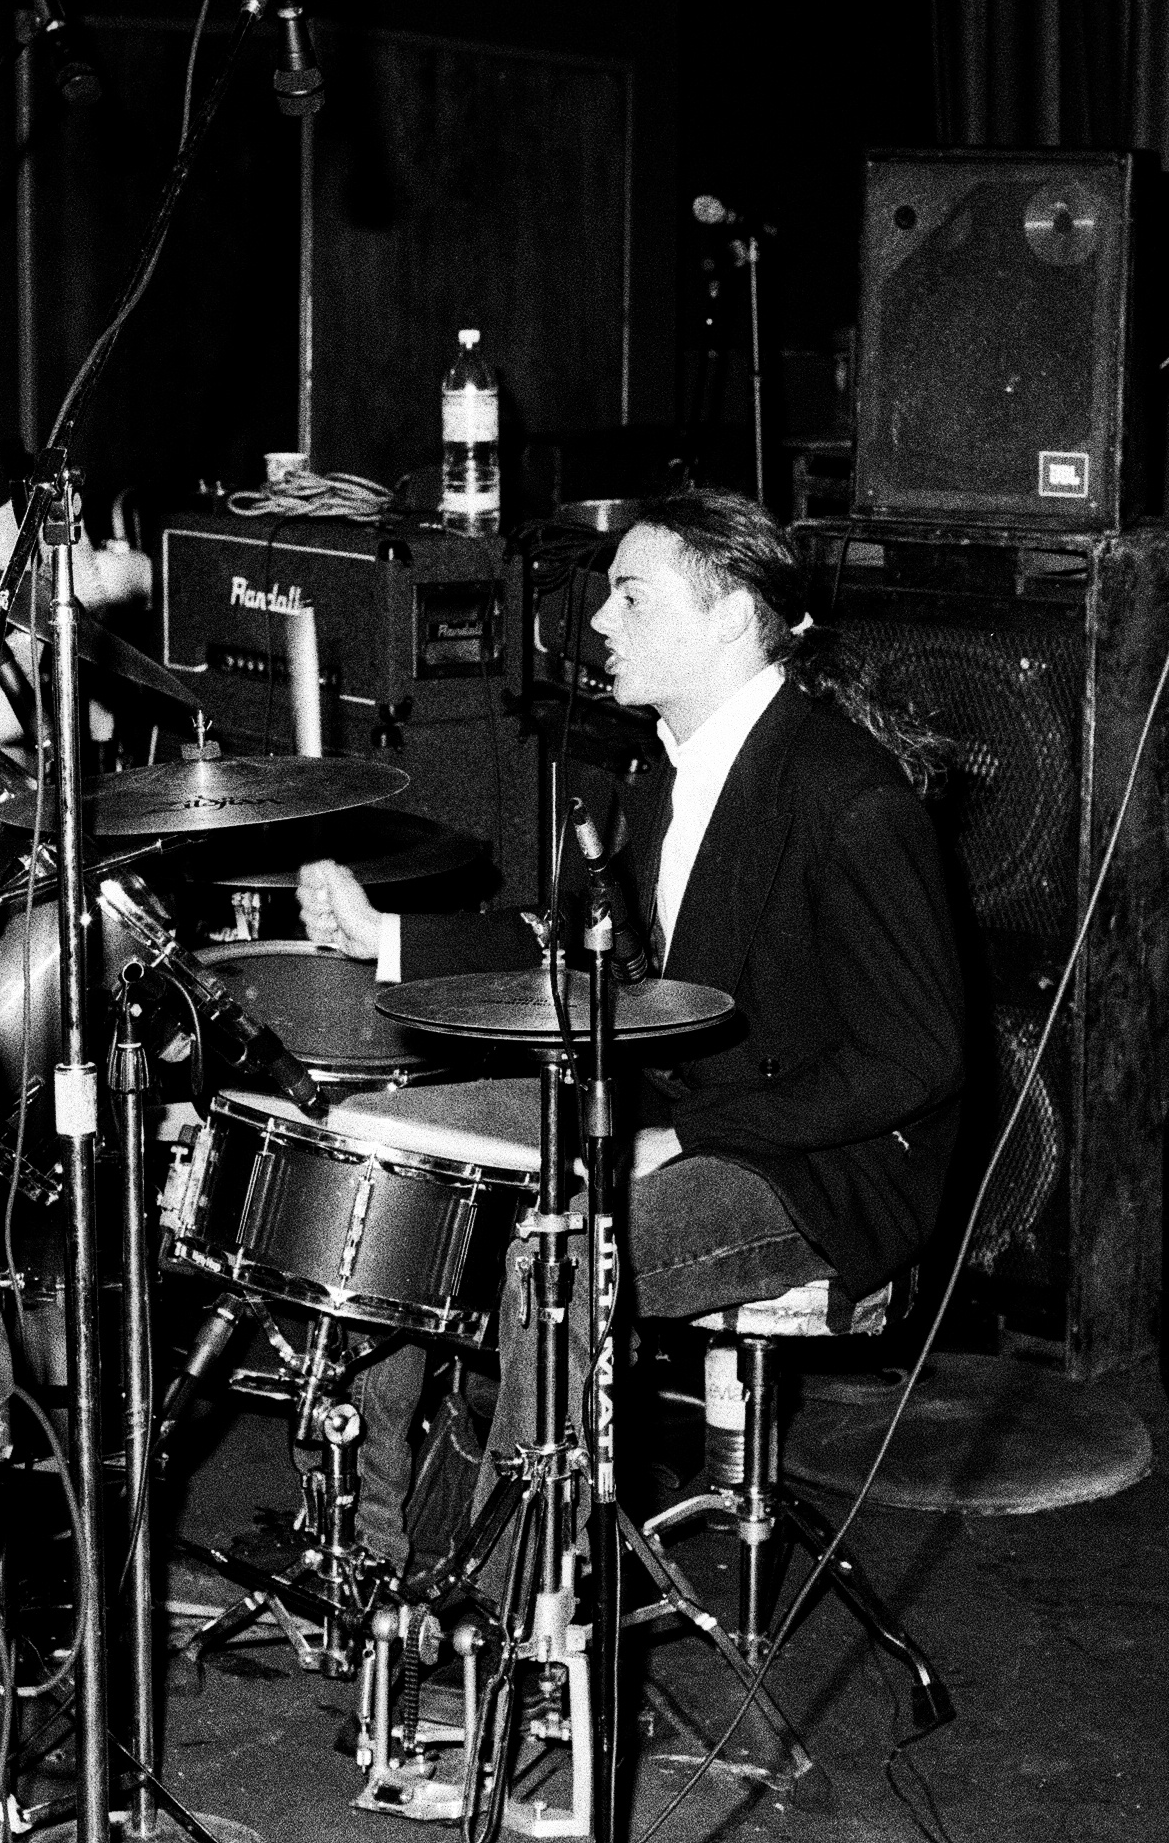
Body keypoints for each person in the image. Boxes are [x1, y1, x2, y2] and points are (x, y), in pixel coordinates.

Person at [294, 491, 965, 1698]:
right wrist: (385, 934)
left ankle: (510, 1629)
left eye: (630, 596)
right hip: (666, 1111)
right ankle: (371, 1569)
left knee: (554, 1264)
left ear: (733, 616)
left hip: (819, 1166)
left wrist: (686, 1132)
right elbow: (579, 956)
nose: (596, 622)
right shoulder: (660, 772)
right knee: (379, 1159)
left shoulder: (849, 796)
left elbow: (912, 1059)